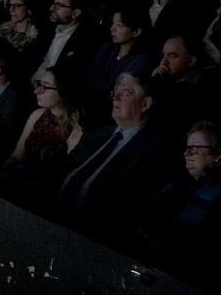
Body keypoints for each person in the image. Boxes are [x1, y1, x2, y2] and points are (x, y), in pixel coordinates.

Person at [56, 73, 173, 232]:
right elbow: (65, 167)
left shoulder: (155, 149)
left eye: (125, 93)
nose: (116, 98)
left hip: (91, 229)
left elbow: (126, 201)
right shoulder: (98, 131)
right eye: (114, 93)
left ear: (145, 103)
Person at [152, 121, 221, 257]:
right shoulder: (178, 180)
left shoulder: (215, 192)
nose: (187, 153)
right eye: (187, 147)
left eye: (195, 148)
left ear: (217, 154)